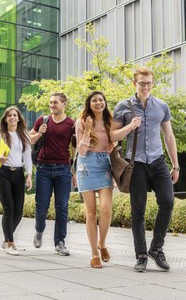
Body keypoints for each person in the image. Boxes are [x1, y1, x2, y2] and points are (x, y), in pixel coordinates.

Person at [111, 66, 180, 272]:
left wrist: (175, 165)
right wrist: (130, 126)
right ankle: (141, 254)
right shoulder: (123, 106)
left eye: (149, 83)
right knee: (138, 212)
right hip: (136, 164)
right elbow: (113, 136)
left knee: (167, 202)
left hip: (158, 161)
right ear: (134, 84)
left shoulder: (161, 106)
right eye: (142, 83)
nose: (146, 86)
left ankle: (156, 248)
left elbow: (169, 137)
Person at [29, 92, 76, 256]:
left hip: (64, 169)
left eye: (55, 102)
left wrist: (74, 171)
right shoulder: (42, 120)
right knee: (41, 205)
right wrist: (40, 133)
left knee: (62, 206)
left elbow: (75, 148)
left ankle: (60, 242)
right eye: (50, 103)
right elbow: (29, 140)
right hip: (44, 169)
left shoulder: (71, 123)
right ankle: (39, 230)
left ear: (64, 104)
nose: (52, 105)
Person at [75, 91, 114, 268]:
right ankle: (94, 253)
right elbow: (81, 151)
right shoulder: (81, 121)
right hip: (86, 165)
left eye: (101, 100)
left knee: (106, 210)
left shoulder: (110, 121)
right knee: (91, 213)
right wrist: (89, 129)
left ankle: (102, 243)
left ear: (104, 102)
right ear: (89, 104)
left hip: (104, 163)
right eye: (94, 100)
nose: (98, 103)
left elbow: (113, 143)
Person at [0, 106, 33, 256]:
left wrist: (29, 175)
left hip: (18, 173)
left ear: (18, 118)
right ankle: (10, 243)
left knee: (19, 212)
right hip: (2, 173)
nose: (12, 117)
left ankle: (6, 238)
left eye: (15, 115)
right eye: (9, 115)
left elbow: (28, 157)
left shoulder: (24, 136)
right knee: (9, 208)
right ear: (5, 119)